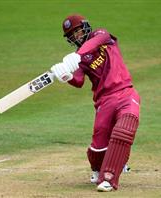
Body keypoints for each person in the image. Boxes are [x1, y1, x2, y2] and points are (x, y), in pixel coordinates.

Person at [50, 14, 141, 192]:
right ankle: (99, 169)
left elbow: (99, 39)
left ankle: (109, 177)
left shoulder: (101, 36)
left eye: (77, 31)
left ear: (85, 27)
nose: (76, 36)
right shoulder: (79, 60)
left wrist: (78, 55)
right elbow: (78, 82)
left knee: (125, 127)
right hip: (104, 101)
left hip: (125, 92)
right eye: (72, 35)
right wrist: (66, 75)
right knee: (98, 148)